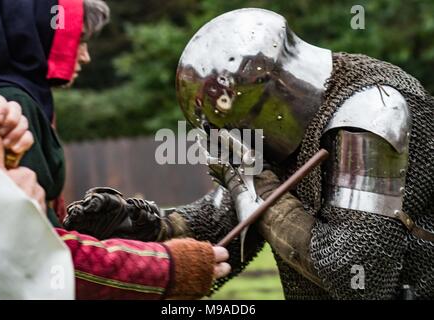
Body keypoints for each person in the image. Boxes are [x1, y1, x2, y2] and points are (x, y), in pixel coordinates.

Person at [65, 8, 434, 299]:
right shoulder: (285, 129)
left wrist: (256, 184)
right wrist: (144, 228)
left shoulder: (372, 112)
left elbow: (356, 273)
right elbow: (224, 223)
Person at [0, 94, 231, 299]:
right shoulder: (15, 92)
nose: (86, 56)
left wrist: (0, 155)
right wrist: (168, 268)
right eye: (79, 39)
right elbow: (37, 263)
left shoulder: (8, 101)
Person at [0, 0, 112, 225]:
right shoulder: (11, 103)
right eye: (79, 39)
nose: (85, 56)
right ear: (40, 32)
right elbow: (34, 232)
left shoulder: (29, 97)